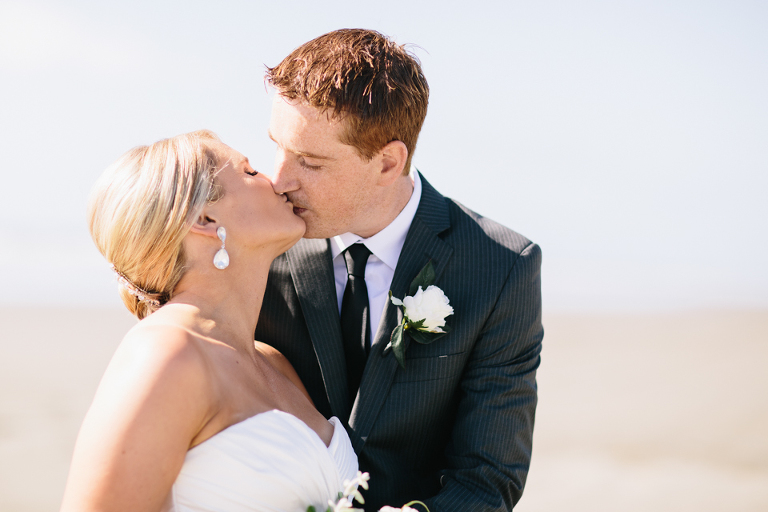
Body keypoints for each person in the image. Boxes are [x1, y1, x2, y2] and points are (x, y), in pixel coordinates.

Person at [255, 29, 544, 511]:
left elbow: (487, 479)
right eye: (277, 147)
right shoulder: (254, 246)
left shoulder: (501, 268)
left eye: (309, 161)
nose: (279, 180)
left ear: (389, 162)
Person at [60, 130, 358, 512]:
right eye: (250, 173)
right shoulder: (168, 353)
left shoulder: (273, 361)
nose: (277, 181)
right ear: (204, 217)